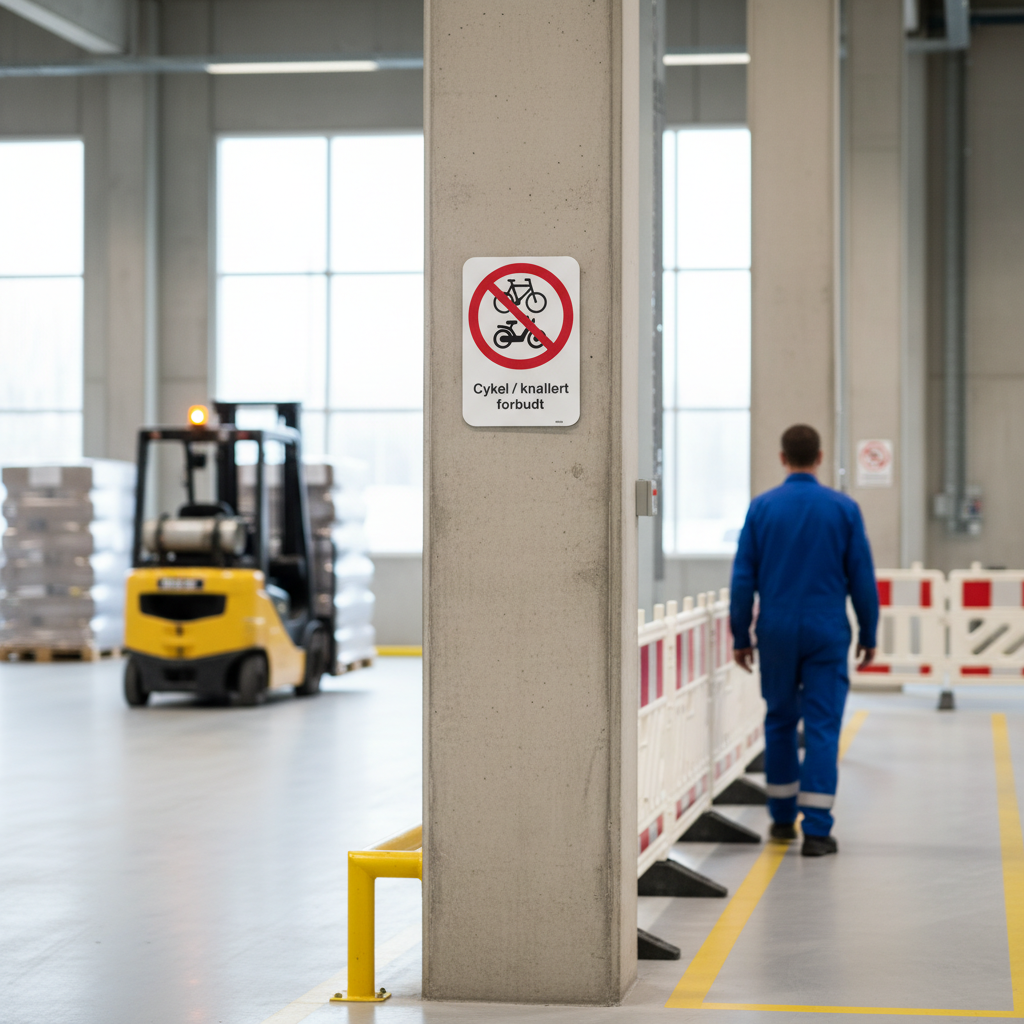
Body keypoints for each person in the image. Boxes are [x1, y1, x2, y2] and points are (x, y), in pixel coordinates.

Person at [730, 424, 878, 857]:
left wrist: (741, 635)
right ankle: (816, 831)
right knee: (822, 726)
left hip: (774, 628)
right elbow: (862, 579)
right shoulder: (844, 509)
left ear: (782, 458)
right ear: (819, 457)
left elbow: (743, 579)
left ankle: (780, 820)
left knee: (778, 719)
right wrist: (869, 632)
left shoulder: (761, 508)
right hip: (826, 629)